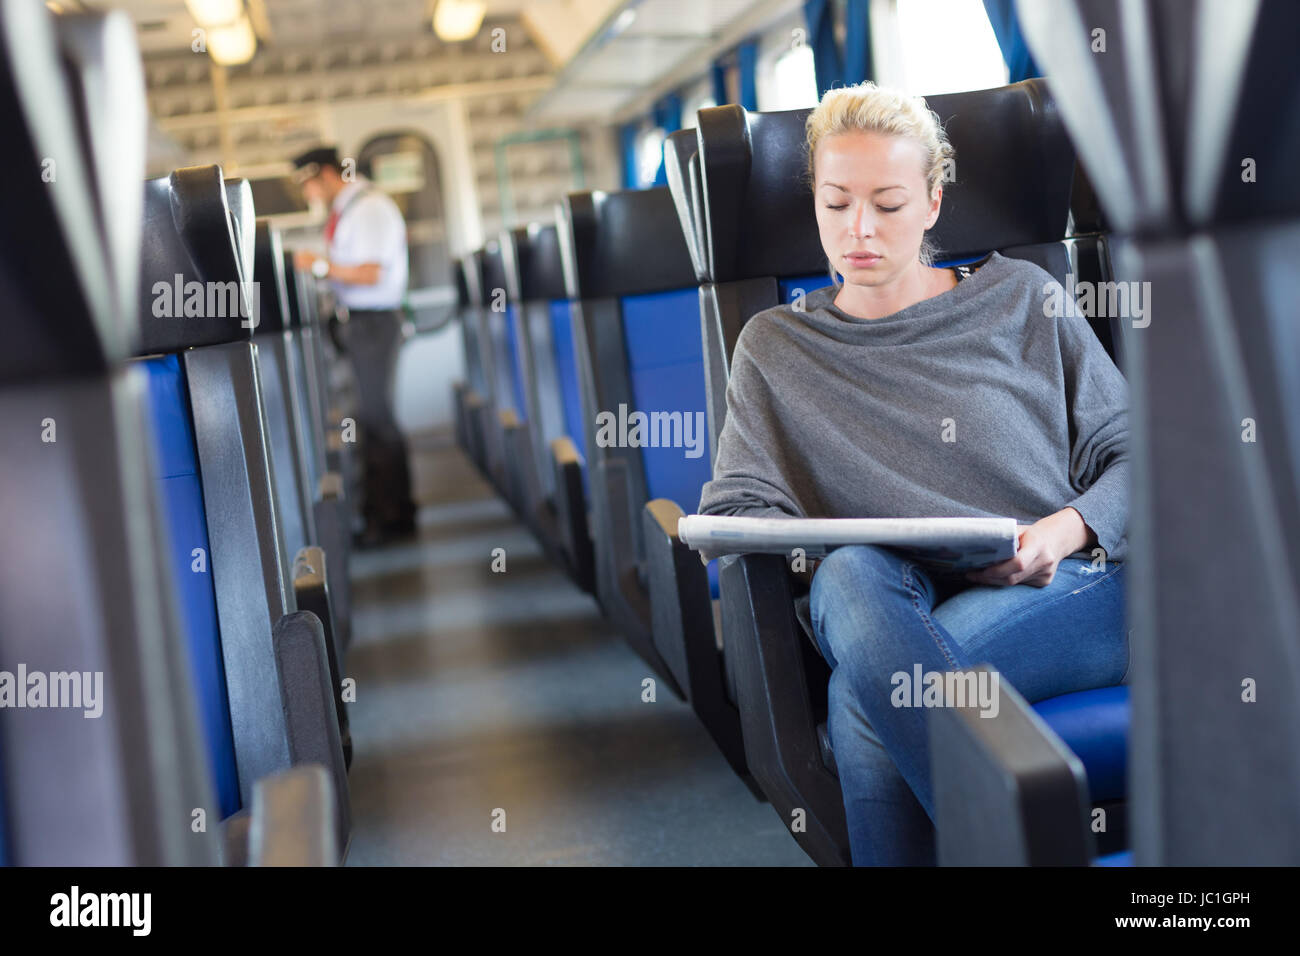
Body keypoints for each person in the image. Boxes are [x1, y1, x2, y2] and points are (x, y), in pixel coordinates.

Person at [697, 82, 1130, 865]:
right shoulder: (774, 348)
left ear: (932, 203)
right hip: (888, 602)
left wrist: (1062, 533)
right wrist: (747, 526)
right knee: (847, 575)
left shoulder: (1023, 298)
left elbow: (1138, 455)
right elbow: (741, 504)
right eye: (836, 204)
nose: (858, 229)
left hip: (1066, 584)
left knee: (867, 698)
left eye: (888, 204)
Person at [292, 146, 417, 546]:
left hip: (374, 323)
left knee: (376, 416)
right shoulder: (350, 210)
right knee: (368, 416)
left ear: (327, 175)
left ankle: (392, 517)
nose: (308, 194)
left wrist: (318, 265)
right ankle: (386, 512)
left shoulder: (369, 208)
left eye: (308, 184)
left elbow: (370, 273)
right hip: (360, 324)